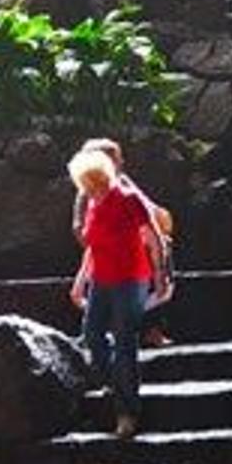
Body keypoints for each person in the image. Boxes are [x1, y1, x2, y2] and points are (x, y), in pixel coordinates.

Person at [68, 140, 166, 438]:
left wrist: (161, 277)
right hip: (103, 279)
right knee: (92, 334)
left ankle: (127, 413)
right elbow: (93, 247)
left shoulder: (128, 198)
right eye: (85, 185)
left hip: (131, 278)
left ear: (103, 177)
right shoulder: (93, 204)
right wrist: (80, 282)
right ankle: (121, 383)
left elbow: (154, 238)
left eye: (93, 183)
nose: (89, 190)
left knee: (125, 341)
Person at [70, 138, 175, 349]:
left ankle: (150, 326)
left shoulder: (124, 186)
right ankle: (102, 329)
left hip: (133, 250)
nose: (120, 164)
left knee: (158, 249)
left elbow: (150, 211)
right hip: (103, 252)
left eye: (118, 160)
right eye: (115, 159)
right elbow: (79, 226)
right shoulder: (88, 191)